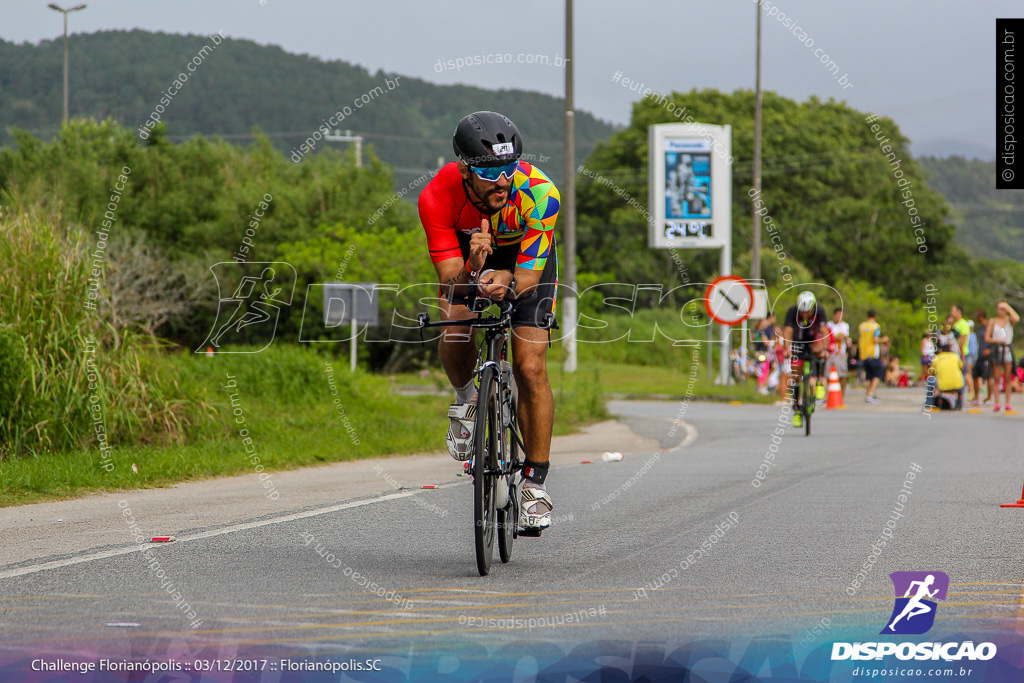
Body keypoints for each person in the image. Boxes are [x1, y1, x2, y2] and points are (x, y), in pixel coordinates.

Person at [418, 111, 559, 532]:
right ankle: (466, 400)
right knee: (455, 325)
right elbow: (451, 283)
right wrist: (472, 270)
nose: (502, 180)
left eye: (509, 168)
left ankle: (534, 483)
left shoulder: (539, 192)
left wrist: (507, 278)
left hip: (524, 263)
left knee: (530, 367)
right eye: (490, 171)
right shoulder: (436, 197)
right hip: (470, 256)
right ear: (465, 167)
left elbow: (530, 277)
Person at [781, 291, 829, 428]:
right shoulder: (792, 312)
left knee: (821, 353)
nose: (805, 315)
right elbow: (788, 330)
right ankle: (796, 409)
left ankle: (819, 380)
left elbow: (824, 331)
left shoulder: (819, 310)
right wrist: (786, 348)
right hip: (798, 342)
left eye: (808, 312)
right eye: (803, 312)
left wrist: (825, 349)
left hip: (814, 340)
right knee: (795, 375)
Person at [984, 299, 1020, 412]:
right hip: (997, 349)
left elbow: (1017, 318)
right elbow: (987, 337)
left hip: (1007, 349)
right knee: (996, 376)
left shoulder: (1009, 320)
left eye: (1003, 309)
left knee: (1008, 377)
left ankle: (1008, 403)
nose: (1002, 311)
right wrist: (997, 340)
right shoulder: (993, 321)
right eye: (1000, 309)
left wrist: (1008, 307)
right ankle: (997, 403)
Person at [858, 309, 890, 403]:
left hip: (864, 353)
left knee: (868, 376)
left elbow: (860, 339)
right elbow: (875, 339)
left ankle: (868, 395)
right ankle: (871, 394)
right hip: (873, 353)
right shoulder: (875, 326)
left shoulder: (862, 326)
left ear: (867, 316)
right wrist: (884, 339)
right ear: (875, 317)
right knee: (878, 374)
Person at [925, 341, 965, 411]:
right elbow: (962, 367)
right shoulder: (955, 356)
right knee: (963, 379)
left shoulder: (936, 358)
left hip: (942, 386)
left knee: (930, 379)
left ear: (941, 350)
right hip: (957, 385)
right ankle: (959, 403)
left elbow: (931, 372)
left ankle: (929, 404)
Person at [950, 305, 975, 401]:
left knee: (966, 373)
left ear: (958, 312)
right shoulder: (955, 324)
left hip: (963, 352)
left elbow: (963, 340)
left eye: (953, 311)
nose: (952, 313)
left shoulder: (963, 324)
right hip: (955, 352)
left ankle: (971, 391)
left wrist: (962, 355)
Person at [825, 308, 850, 401]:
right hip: (830, 353)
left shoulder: (844, 325)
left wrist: (832, 337)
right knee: (827, 375)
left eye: (841, 315)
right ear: (834, 315)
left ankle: (841, 397)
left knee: (842, 375)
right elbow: (826, 337)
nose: (840, 317)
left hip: (840, 353)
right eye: (838, 315)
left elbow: (841, 337)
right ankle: (828, 397)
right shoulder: (828, 324)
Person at [972, 310, 993, 406]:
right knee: (975, 375)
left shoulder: (990, 326)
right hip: (979, 354)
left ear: (981, 316)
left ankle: (989, 398)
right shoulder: (979, 327)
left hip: (988, 355)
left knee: (988, 376)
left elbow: (994, 338)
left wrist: (990, 349)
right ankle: (976, 398)